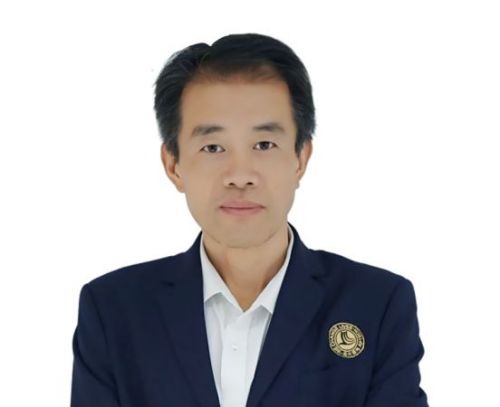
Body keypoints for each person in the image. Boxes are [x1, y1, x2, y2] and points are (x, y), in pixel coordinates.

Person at [70, 33, 429, 407]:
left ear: (300, 158)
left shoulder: (375, 303)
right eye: (213, 147)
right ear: (173, 164)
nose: (240, 175)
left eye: (264, 145)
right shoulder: (114, 310)